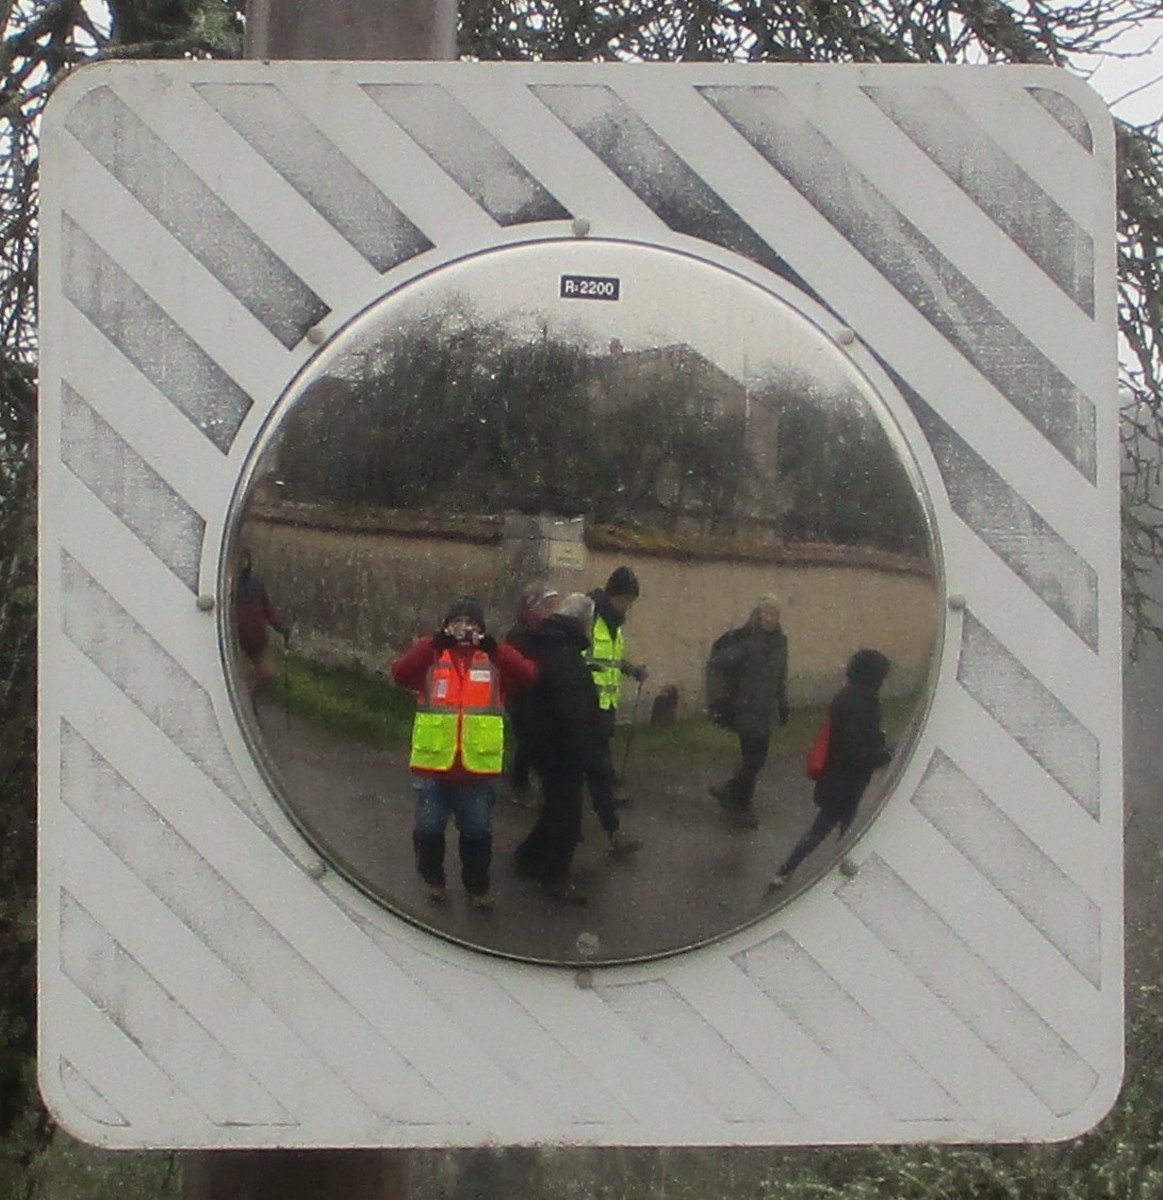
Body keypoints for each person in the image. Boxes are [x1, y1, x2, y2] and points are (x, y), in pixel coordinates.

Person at [391, 597, 538, 909]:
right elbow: (400, 674)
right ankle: (433, 881)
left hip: (476, 770)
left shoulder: (493, 659)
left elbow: (528, 676)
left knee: (477, 834)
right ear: (446, 626)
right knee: (428, 831)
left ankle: (477, 888)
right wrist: (432, 642)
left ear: (481, 628)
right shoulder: (432, 653)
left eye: (470, 623)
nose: (463, 628)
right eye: (457, 622)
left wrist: (495, 647)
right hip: (434, 766)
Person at [769, 649, 893, 889]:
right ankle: (795, 872)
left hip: (837, 777)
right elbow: (855, 749)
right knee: (841, 833)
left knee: (830, 830)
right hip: (846, 781)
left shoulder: (850, 697)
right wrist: (881, 755)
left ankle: (787, 870)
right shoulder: (862, 704)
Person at [513, 593, 604, 903]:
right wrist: (587, 745)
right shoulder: (565, 654)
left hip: (539, 739)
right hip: (561, 745)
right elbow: (572, 707)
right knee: (568, 814)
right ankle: (554, 877)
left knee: (555, 805)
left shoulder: (543, 643)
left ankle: (528, 857)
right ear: (583, 622)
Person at [706, 595, 790, 829]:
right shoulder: (746, 640)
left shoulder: (781, 643)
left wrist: (783, 702)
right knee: (753, 759)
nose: (771, 619)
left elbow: (780, 675)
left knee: (755, 760)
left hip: (765, 711)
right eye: (768, 613)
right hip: (745, 709)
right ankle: (739, 804)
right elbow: (719, 664)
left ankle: (731, 792)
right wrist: (720, 698)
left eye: (775, 614)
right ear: (759, 615)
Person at [585, 566, 647, 852]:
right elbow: (576, 655)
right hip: (584, 709)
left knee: (594, 772)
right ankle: (612, 830)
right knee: (596, 772)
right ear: (614, 595)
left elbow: (612, 660)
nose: (628, 607)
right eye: (626, 600)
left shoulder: (614, 624)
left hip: (604, 709)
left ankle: (607, 828)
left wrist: (632, 670)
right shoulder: (590, 617)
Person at [504, 583, 560, 800]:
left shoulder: (542, 631)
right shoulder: (521, 633)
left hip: (535, 695)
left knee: (533, 740)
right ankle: (519, 786)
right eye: (547, 605)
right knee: (528, 740)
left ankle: (524, 782)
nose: (552, 611)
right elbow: (518, 664)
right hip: (521, 695)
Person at [234, 549, 289, 715]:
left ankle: (250, 700)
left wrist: (280, 627)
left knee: (267, 674)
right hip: (237, 643)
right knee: (240, 677)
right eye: (241, 561)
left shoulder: (257, 586)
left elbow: (268, 611)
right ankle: (240, 709)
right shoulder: (229, 587)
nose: (244, 565)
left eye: (247, 561)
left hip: (258, 641)